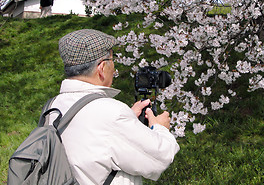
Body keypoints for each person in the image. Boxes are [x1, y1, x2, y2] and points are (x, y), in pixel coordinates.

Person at [49, 29, 180, 185]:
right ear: (102, 68)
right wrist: (161, 128)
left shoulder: (53, 106)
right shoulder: (110, 113)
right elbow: (159, 159)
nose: (114, 67)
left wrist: (128, 118)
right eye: (112, 60)